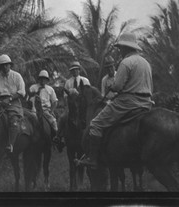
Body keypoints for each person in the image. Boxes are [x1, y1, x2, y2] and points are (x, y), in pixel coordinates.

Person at [77, 32, 154, 168]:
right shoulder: (146, 63)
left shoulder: (126, 62)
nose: (120, 50)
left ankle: (92, 159)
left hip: (127, 103)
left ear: (125, 47)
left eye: (121, 48)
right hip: (146, 102)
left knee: (95, 124)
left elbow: (118, 87)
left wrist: (113, 86)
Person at [0, 54, 26, 153]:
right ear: (0, 67)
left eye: (6, 64)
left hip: (13, 103)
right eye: (2, 65)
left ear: (10, 65)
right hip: (0, 102)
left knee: (13, 120)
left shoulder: (16, 76)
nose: (5, 67)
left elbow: (22, 92)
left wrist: (10, 99)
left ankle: (10, 144)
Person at [28, 70, 61, 145]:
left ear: (47, 80)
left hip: (45, 110)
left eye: (45, 79)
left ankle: (56, 138)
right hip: (34, 110)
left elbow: (55, 102)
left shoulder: (50, 89)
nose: (43, 80)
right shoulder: (33, 87)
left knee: (53, 121)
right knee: (29, 121)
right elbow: (28, 98)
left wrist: (51, 111)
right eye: (41, 78)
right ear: (39, 79)